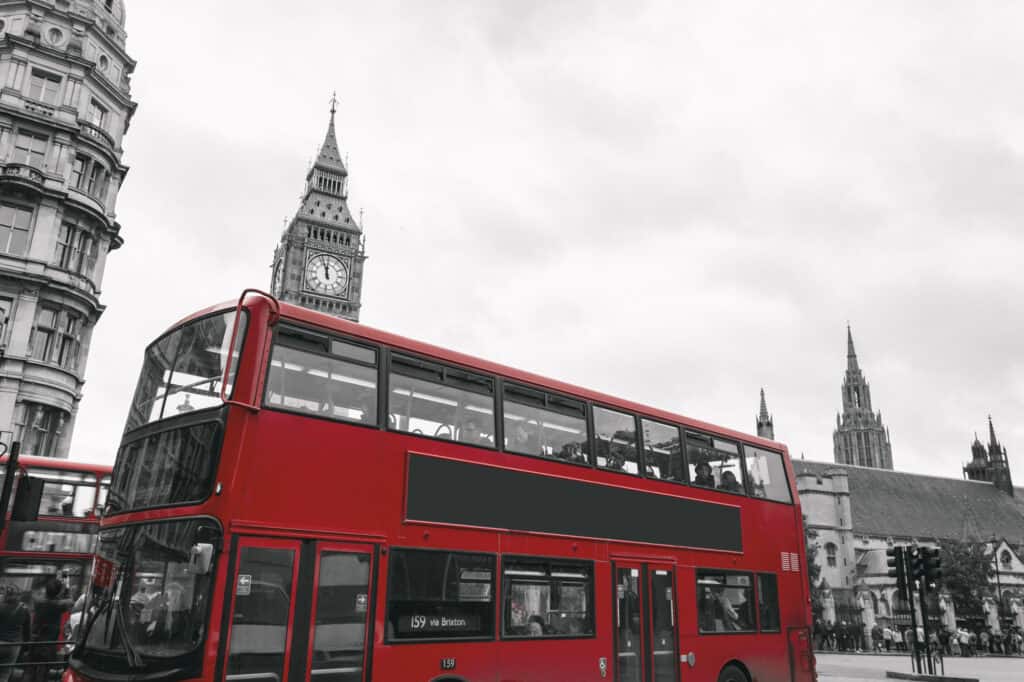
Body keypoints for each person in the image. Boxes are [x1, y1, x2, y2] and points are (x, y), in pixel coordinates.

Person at [27, 578, 71, 682]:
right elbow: (70, 601)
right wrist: (66, 588)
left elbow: (36, 596)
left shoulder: (38, 602)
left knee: (30, 670)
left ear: (46, 590)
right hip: (48, 644)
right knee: (43, 673)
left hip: (35, 641)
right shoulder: (59, 606)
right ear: (58, 592)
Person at [0, 585, 29, 682]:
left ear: (5, 594)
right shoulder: (24, 608)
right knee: (4, 674)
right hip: (13, 645)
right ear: (18, 595)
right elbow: (26, 630)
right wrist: (26, 648)